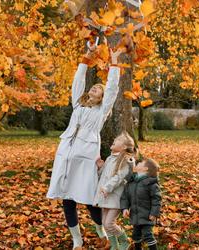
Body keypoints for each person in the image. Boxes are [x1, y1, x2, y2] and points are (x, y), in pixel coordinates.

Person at [46, 43, 124, 249]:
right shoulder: (78, 106)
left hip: (87, 157)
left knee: (89, 198)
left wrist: (114, 62)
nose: (94, 88)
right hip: (66, 155)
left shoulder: (101, 113)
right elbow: (77, 82)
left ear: (101, 97)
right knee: (67, 198)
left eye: (99, 88)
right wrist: (87, 57)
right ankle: (77, 240)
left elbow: (113, 90)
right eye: (94, 87)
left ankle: (102, 234)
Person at [93, 132, 136, 250]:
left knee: (109, 223)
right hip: (106, 195)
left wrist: (107, 188)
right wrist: (101, 167)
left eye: (117, 140)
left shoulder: (126, 160)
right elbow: (104, 175)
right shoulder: (110, 158)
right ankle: (114, 245)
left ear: (123, 147)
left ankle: (125, 241)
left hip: (116, 196)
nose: (114, 140)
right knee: (104, 222)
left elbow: (119, 177)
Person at [120, 158, 162, 250]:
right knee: (135, 235)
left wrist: (154, 213)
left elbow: (157, 199)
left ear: (145, 168)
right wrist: (125, 208)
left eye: (141, 163)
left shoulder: (151, 183)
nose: (138, 163)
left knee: (148, 234)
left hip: (147, 215)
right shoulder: (131, 182)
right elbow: (125, 197)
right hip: (135, 215)